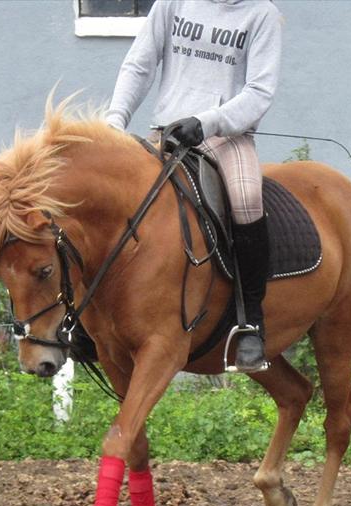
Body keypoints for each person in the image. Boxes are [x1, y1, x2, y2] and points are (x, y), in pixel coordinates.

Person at [104, 0, 283, 372]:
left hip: (227, 135)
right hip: (166, 132)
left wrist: (209, 121)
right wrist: (114, 121)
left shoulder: (262, 14)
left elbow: (260, 91)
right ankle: (95, 320)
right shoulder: (173, 3)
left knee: (247, 199)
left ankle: (250, 323)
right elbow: (139, 64)